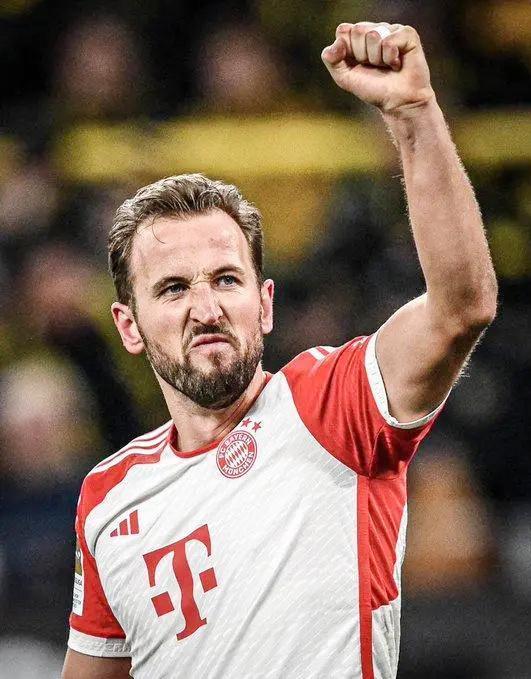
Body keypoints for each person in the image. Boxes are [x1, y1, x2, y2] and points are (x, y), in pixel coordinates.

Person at [61, 21, 497, 679]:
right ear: (128, 326)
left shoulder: (329, 403)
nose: (206, 308)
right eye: (174, 288)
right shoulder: (108, 498)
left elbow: (461, 306)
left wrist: (413, 115)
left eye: (226, 280)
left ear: (264, 305)